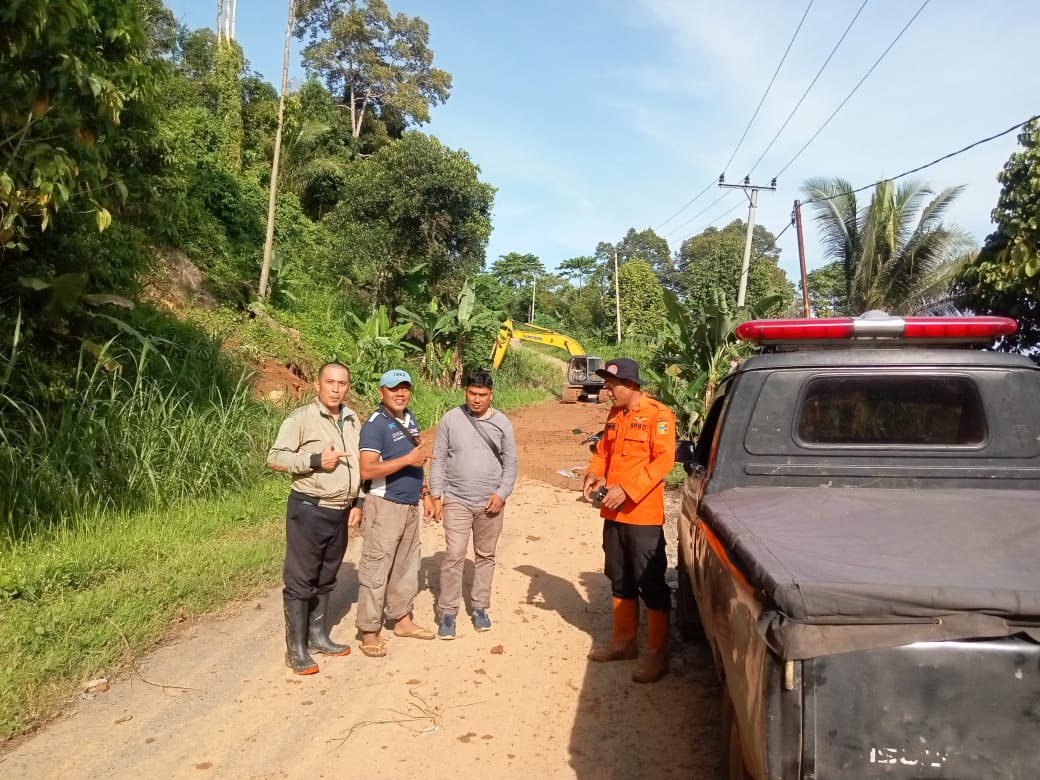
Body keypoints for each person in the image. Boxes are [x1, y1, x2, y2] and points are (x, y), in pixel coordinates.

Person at [582, 357, 676, 683]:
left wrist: (628, 490)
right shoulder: (614, 415)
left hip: (643, 516)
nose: (607, 391)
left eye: (611, 386)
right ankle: (623, 644)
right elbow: (603, 452)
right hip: (613, 512)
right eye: (607, 386)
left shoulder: (658, 415)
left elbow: (664, 459)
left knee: (649, 582)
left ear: (631, 385)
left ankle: (658, 654)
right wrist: (593, 475)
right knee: (619, 577)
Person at [267, 361, 363, 675]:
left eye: (342, 383)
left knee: (326, 576)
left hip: (340, 511)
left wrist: (358, 501)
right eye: (330, 382)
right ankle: (296, 649)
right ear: (317, 384)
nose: (336, 389)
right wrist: (315, 460)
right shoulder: (302, 419)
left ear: (348, 387)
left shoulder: (352, 419)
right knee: (300, 579)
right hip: (309, 508)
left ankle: (318, 636)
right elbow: (276, 458)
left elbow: (359, 464)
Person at [428, 369, 518, 639]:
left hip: (491, 502)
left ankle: (480, 607)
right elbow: (439, 458)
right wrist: (436, 493)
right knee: (454, 554)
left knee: (485, 555)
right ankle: (447, 612)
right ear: (465, 392)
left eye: (482, 395)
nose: (476, 400)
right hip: (457, 499)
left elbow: (511, 463)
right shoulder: (450, 419)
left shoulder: (502, 423)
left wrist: (502, 493)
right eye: (472, 393)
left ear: (491, 395)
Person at [355, 369, 437, 657]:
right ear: (381, 393)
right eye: (393, 389)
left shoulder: (409, 418)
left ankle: (402, 619)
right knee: (377, 568)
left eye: (405, 388)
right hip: (384, 504)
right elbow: (367, 469)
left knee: (406, 566)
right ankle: (369, 630)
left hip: (409, 504)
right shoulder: (375, 425)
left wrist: (424, 493)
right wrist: (407, 460)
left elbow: (417, 460)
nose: (400, 394)